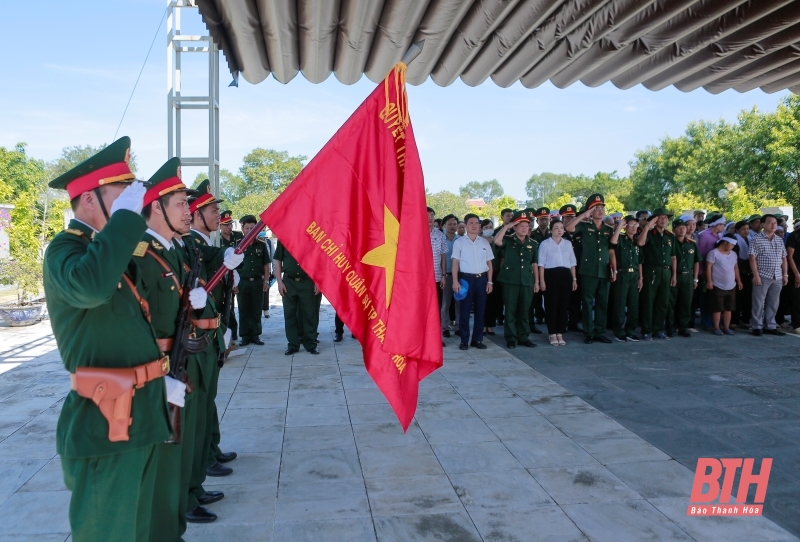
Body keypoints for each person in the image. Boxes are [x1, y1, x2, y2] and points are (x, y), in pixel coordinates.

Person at [43, 138, 177, 541]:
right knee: (109, 532)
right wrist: (122, 223)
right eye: (122, 195)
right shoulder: (66, 249)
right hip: (105, 422)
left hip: (141, 414)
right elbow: (89, 289)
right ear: (89, 201)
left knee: (138, 529)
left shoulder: (108, 252)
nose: (133, 205)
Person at [185, 178, 243, 515]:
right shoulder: (191, 243)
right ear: (197, 214)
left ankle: (209, 453)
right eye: (212, 210)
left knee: (207, 402)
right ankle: (203, 463)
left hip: (210, 330)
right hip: (195, 339)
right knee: (198, 407)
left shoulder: (198, 242)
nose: (218, 214)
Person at [566, 194, 615, 344]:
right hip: (588, 270)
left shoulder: (608, 229)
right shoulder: (584, 226)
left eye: (602, 208)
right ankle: (589, 332)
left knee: (602, 302)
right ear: (590, 211)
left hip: (604, 270)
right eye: (596, 208)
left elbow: (611, 250)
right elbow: (569, 228)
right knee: (587, 302)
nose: (600, 211)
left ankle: (600, 331)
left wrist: (614, 269)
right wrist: (583, 216)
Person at [494, 211, 538, 348]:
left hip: (526, 280)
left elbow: (534, 263)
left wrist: (536, 281)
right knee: (511, 310)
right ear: (515, 227)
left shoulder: (533, 243)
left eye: (527, 226)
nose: (524, 228)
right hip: (510, 280)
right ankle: (511, 338)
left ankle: (523, 337)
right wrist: (506, 227)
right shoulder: (508, 239)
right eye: (521, 226)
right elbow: (497, 241)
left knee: (524, 310)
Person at [452, 213, 494, 350]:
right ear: (465, 225)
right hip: (466, 279)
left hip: (482, 279)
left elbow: (489, 263)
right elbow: (455, 263)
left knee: (480, 310)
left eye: (477, 223)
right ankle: (464, 340)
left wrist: (490, 282)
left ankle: (477, 339)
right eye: (471, 223)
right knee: (464, 311)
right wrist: (455, 281)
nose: (474, 225)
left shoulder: (484, 242)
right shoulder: (459, 242)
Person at [274, 240, 323, 354]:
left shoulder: (311, 237)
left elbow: (319, 259)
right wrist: (279, 282)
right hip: (289, 282)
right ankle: (293, 344)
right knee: (290, 314)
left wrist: (318, 280)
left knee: (309, 314)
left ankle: (311, 344)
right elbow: (278, 260)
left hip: (307, 281)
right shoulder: (283, 237)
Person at [637, 208, 677, 340]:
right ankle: (647, 330)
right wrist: (648, 226)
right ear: (655, 219)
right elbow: (640, 243)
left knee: (663, 301)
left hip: (666, 271)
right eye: (660, 217)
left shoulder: (670, 236)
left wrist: (674, 274)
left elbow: (673, 257)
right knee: (649, 301)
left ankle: (658, 329)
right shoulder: (648, 233)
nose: (664, 220)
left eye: (666, 217)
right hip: (652, 270)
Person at [538, 220, 577, 346]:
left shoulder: (567, 243)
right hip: (551, 275)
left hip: (565, 275)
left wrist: (574, 279)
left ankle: (560, 332)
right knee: (551, 305)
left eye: (561, 228)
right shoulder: (545, 244)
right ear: (551, 230)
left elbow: (572, 263)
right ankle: (552, 333)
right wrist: (542, 280)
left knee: (563, 306)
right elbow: (541, 264)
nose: (559, 230)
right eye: (556, 228)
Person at [749, 214, 789, 336]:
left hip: (777, 275)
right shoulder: (756, 239)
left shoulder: (779, 239)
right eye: (770, 222)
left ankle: (770, 325)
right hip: (762, 275)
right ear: (763, 224)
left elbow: (784, 258)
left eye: (775, 223)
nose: (773, 225)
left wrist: (785, 274)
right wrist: (755, 275)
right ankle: (757, 326)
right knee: (759, 302)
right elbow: (752, 257)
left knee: (773, 302)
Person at [236, 216, 271, 346]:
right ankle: (245, 336)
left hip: (257, 281)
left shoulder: (261, 245)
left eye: (252, 228)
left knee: (256, 309)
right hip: (242, 282)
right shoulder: (238, 245)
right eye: (247, 228)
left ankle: (255, 335)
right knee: (243, 309)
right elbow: (232, 266)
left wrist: (266, 281)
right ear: (242, 229)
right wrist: (234, 283)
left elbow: (266, 265)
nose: (249, 230)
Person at [610, 216, 642, 342]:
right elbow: (612, 243)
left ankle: (630, 330)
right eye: (631, 225)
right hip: (622, 273)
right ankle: (618, 331)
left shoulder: (637, 242)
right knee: (620, 303)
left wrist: (641, 278)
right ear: (626, 226)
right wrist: (619, 228)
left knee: (634, 304)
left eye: (636, 225)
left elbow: (640, 261)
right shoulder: (621, 239)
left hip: (634, 274)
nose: (634, 228)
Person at [668, 218, 701, 338]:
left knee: (686, 303)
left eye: (684, 228)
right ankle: (671, 327)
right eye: (679, 228)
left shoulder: (691, 243)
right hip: (674, 275)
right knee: (671, 303)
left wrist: (696, 278)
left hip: (688, 276)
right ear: (674, 230)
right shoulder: (670, 243)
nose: (682, 230)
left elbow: (696, 262)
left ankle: (683, 327)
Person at [706, 234, 743, 335]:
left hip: (731, 285)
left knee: (729, 308)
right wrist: (709, 281)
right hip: (717, 285)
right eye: (731, 244)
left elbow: (736, 268)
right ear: (725, 243)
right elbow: (709, 267)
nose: (733, 247)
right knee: (717, 308)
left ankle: (726, 327)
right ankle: (716, 327)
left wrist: (739, 281)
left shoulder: (733, 254)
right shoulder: (713, 253)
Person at [697, 213, 727, 329]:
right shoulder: (704, 235)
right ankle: (706, 322)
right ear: (717, 224)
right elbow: (700, 254)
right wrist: (700, 271)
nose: (724, 226)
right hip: (705, 270)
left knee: (715, 297)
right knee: (705, 297)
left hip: (717, 271)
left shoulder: (721, 236)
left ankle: (715, 320)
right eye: (722, 224)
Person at [219, 210, 243, 338]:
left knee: (234, 307)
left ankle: (234, 334)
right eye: (226, 225)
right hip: (224, 277)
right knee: (227, 306)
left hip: (239, 276)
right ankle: (227, 333)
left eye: (230, 224)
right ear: (220, 226)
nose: (229, 227)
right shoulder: (217, 239)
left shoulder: (238, 237)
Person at [561, 204, 582, 332]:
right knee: (563, 299)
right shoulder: (558, 234)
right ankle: (562, 324)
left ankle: (573, 323)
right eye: (566, 218)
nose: (569, 220)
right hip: (563, 271)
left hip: (578, 270)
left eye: (572, 217)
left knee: (576, 298)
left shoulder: (580, 232)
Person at [427, 207, 447, 342]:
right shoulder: (414, 232)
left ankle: (435, 338)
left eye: (432, 215)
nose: (429, 218)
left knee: (436, 308)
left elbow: (443, 256)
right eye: (427, 215)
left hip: (437, 276)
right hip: (419, 278)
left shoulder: (440, 235)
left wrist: (444, 275)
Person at [440, 214, 460, 337]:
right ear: (444, 226)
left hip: (459, 275)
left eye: (454, 224)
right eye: (450, 224)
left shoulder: (461, 240)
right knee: (445, 303)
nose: (452, 226)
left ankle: (458, 326)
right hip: (446, 275)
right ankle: (445, 327)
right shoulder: (440, 239)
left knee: (459, 303)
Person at [481, 219, 500, 336]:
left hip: (496, 273)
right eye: (486, 227)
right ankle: (482, 325)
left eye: (490, 227)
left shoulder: (496, 241)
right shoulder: (479, 241)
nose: (488, 229)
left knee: (494, 301)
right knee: (483, 301)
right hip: (483, 273)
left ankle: (491, 325)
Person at [733, 220, 752, 328]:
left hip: (749, 271)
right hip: (738, 269)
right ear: (737, 230)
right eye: (743, 229)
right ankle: (734, 320)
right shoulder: (735, 240)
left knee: (747, 297)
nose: (746, 231)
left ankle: (746, 319)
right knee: (738, 297)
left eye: (747, 229)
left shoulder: (750, 239)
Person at [786, 220, 800, 334]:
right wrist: (796, 274)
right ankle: (796, 324)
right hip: (796, 271)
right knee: (796, 298)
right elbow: (789, 256)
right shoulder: (794, 235)